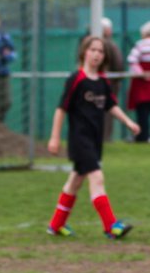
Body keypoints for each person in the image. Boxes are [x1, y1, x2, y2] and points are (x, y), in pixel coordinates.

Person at [46, 35, 141, 239]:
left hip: (95, 140)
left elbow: (111, 106)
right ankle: (111, 226)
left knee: (75, 181)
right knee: (97, 177)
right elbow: (61, 109)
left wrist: (128, 122)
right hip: (80, 140)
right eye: (93, 50)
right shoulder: (76, 80)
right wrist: (54, 138)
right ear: (84, 52)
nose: (97, 54)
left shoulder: (103, 82)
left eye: (101, 51)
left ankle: (56, 225)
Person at [99, 17, 126, 142]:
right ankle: (105, 137)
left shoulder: (87, 42)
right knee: (107, 110)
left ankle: (102, 137)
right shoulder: (109, 44)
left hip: (103, 81)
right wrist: (117, 78)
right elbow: (118, 64)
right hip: (108, 83)